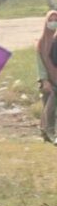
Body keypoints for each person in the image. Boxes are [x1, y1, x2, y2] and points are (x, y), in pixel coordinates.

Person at [37, 11, 57, 144]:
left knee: (50, 108)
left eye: (55, 20)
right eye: (51, 20)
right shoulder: (41, 42)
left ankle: (48, 132)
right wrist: (44, 80)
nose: (53, 22)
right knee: (48, 108)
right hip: (46, 80)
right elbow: (40, 63)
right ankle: (47, 132)